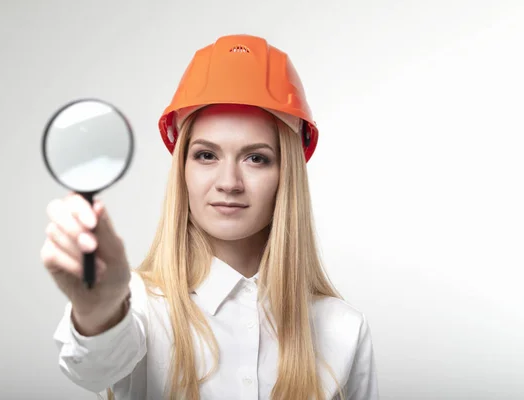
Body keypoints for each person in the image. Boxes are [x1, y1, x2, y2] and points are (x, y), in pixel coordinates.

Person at [42, 34, 379, 400]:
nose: (229, 183)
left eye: (256, 158)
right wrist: (99, 312)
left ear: (287, 175)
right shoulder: (136, 305)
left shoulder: (343, 329)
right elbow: (94, 367)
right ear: (182, 167)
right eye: (206, 156)